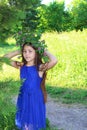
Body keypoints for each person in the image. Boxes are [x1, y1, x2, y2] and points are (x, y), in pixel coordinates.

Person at [3, 42, 58, 130]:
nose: (27, 54)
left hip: (35, 98)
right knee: (24, 121)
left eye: (30, 51)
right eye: (24, 51)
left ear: (36, 52)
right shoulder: (21, 66)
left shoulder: (40, 68)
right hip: (23, 97)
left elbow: (54, 60)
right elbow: (4, 58)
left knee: (33, 121)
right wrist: (18, 51)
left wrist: (44, 51)